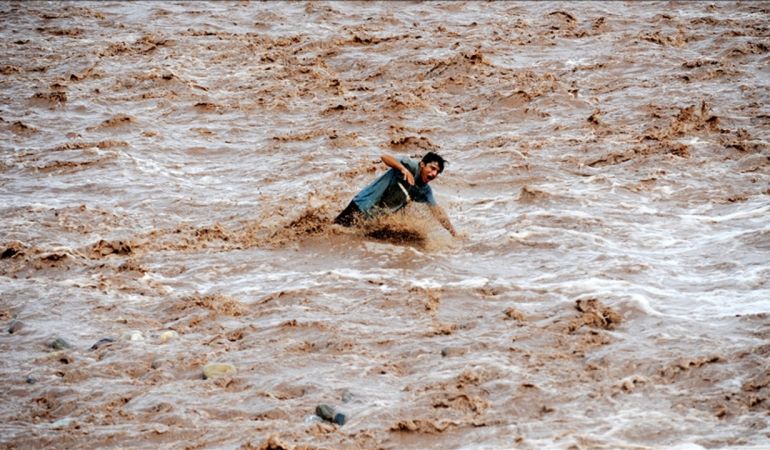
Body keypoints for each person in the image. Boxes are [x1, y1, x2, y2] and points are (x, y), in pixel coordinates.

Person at [334, 152, 457, 236]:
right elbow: (385, 157)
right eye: (432, 168)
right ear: (422, 164)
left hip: (372, 221)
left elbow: (437, 212)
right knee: (334, 231)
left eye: (437, 172)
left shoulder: (425, 190)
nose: (434, 174)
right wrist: (402, 169)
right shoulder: (411, 167)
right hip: (360, 207)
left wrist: (454, 234)